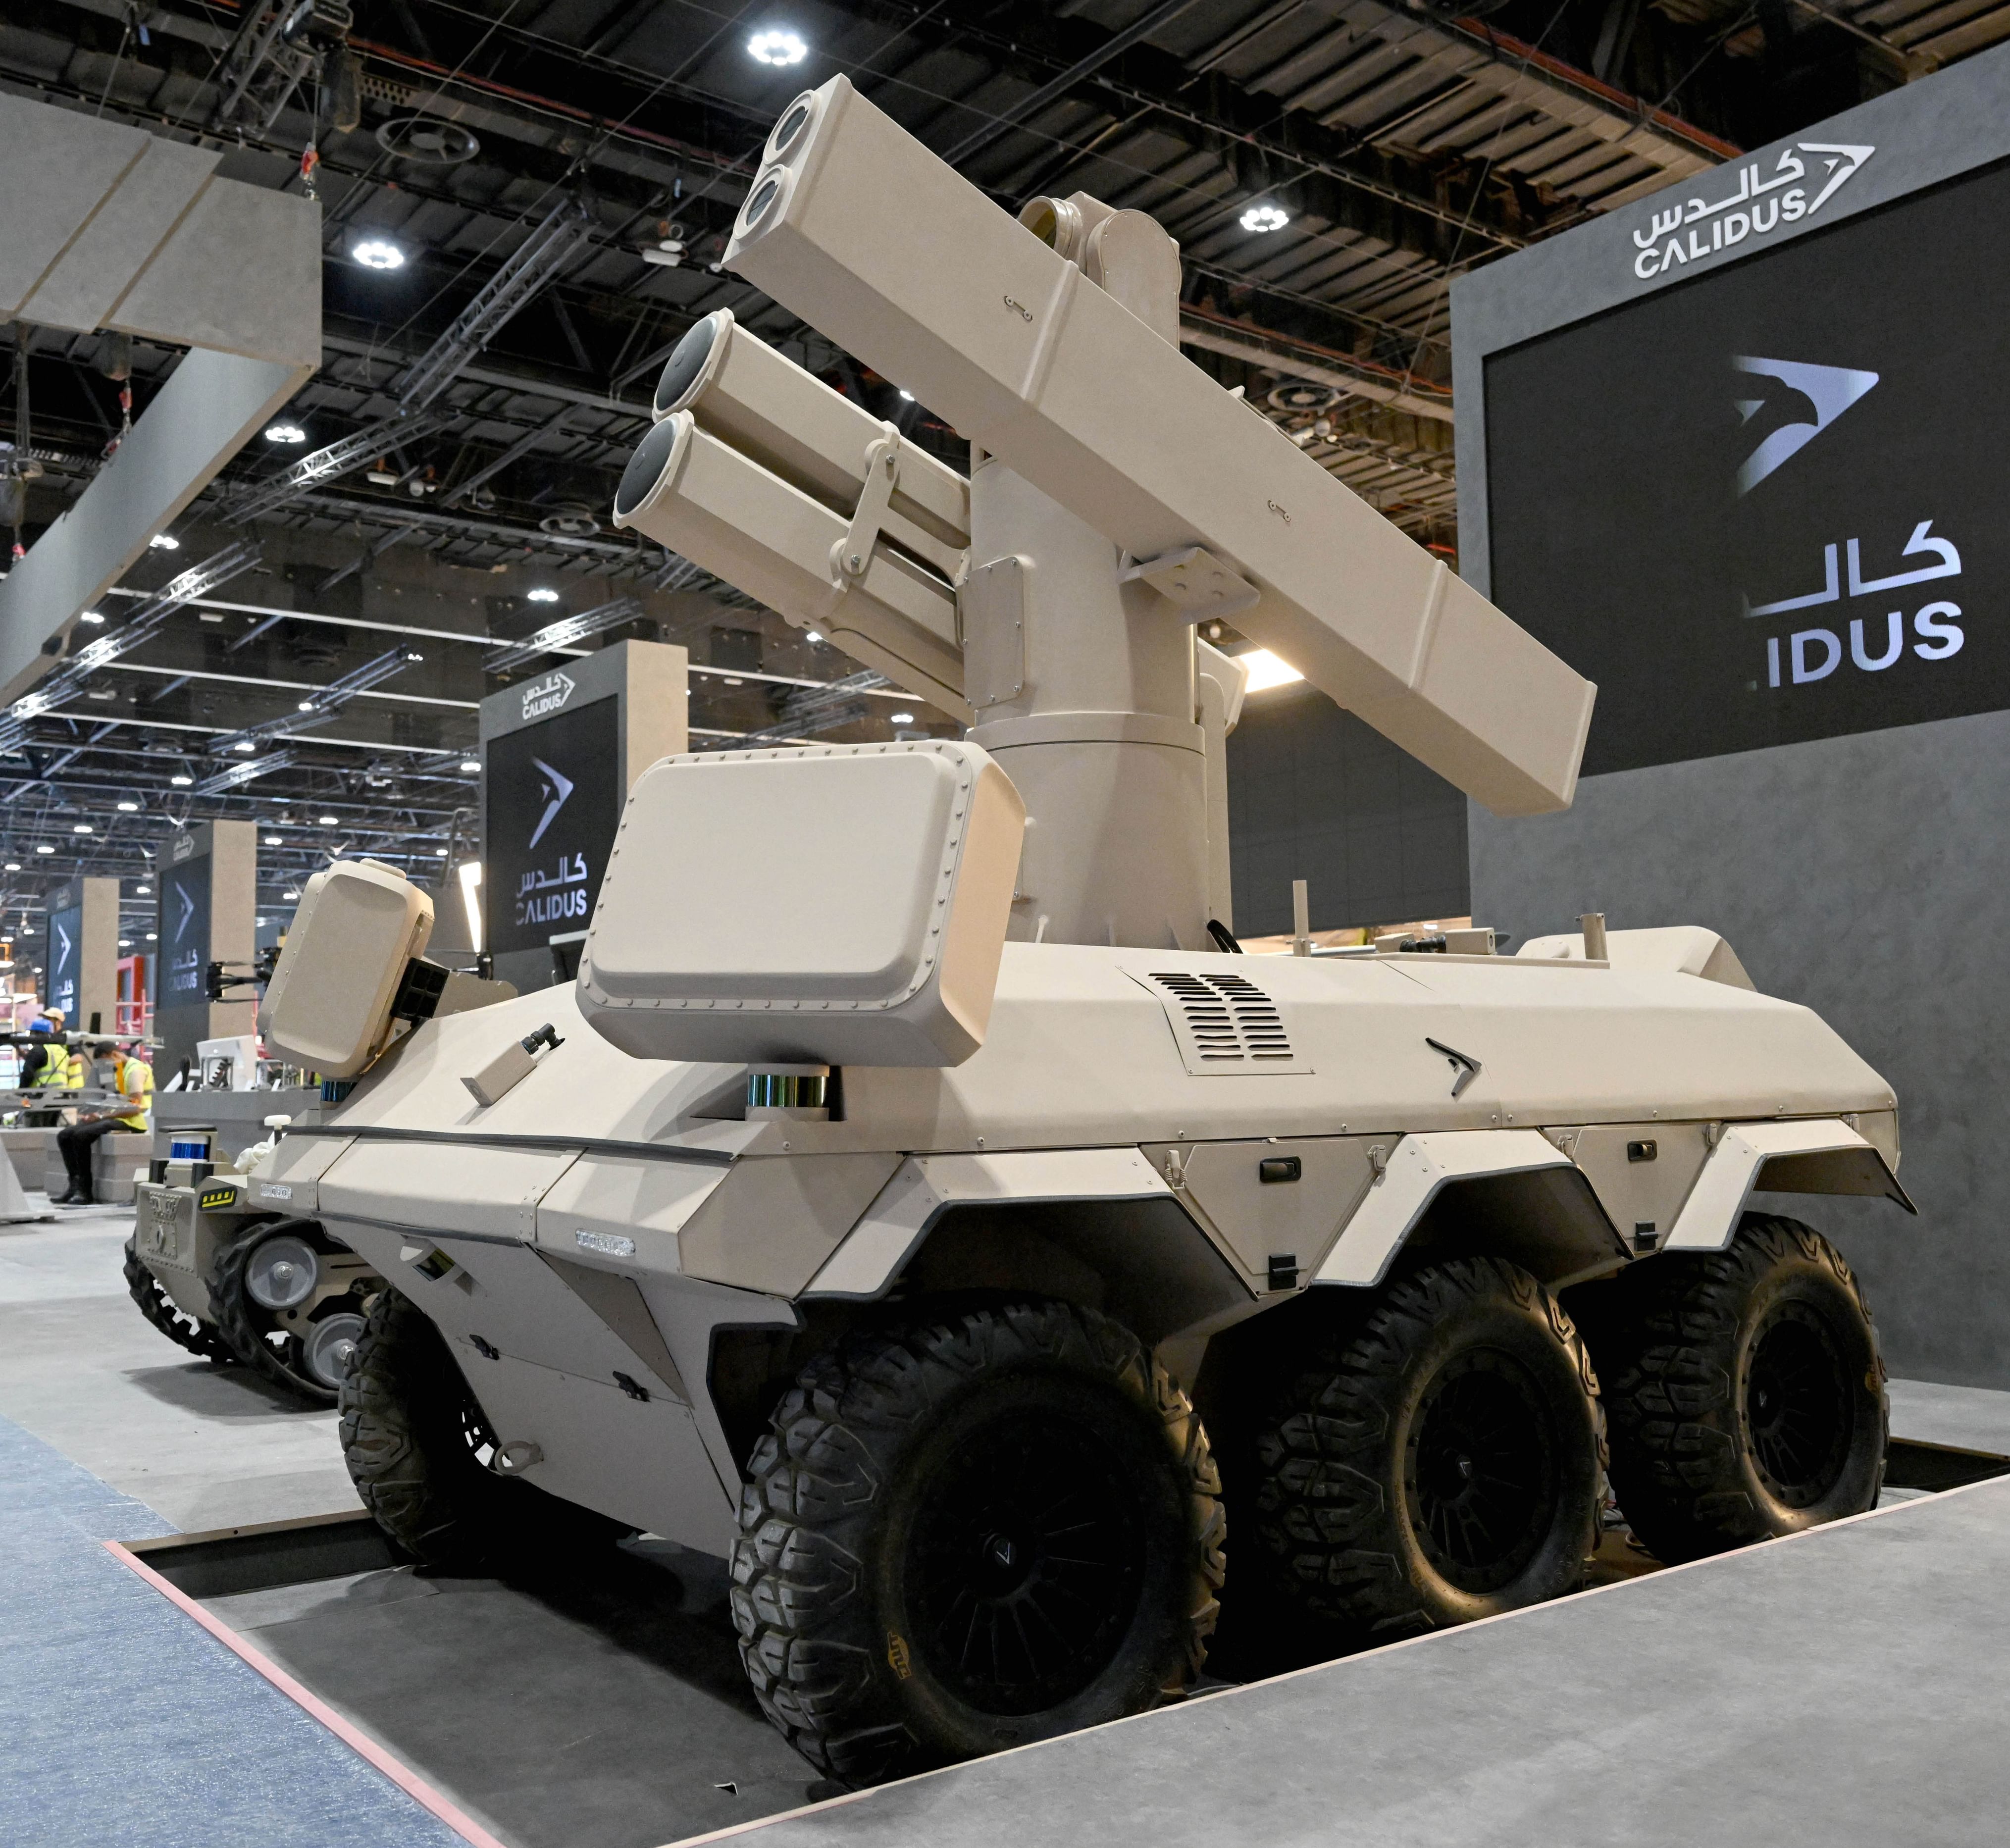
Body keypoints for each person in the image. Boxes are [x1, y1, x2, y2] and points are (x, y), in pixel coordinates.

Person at [52, 1039, 151, 1206]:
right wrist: (96, 1113)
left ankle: (85, 1190)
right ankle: (74, 1186)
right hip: (116, 1116)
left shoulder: (135, 1071)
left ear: (114, 1055)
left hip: (133, 1121)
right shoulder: (118, 1070)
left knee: (81, 1136)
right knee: (64, 1135)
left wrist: (100, 1116)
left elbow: (135, 1109)